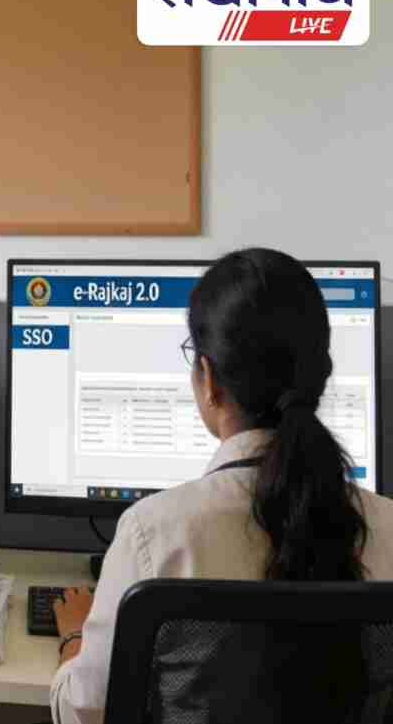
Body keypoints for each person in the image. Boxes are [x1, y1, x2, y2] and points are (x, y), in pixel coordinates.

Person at [49, 248, 393, 724]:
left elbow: (86, 712)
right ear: (320, 374)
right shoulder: (388, 526)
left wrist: (73, 640)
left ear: (208, 379)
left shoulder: (153, 533)